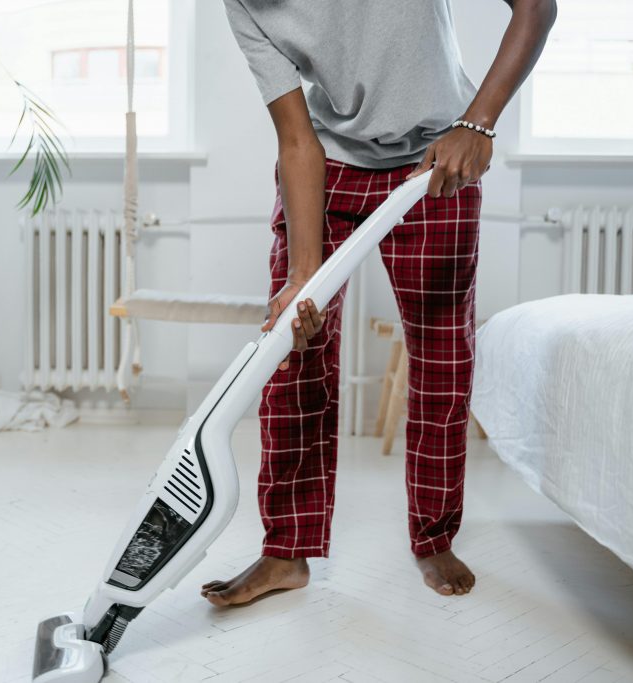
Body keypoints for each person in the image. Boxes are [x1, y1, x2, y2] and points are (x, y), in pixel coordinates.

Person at [201, 0, 557, 605]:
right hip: (329, 165)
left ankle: (434, 537)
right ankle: (286, 552)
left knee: (443, 360)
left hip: (436, 162)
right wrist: (304, 276)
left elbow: (536, 7)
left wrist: (477, 123)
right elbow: (295, 135)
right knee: (294, 350)